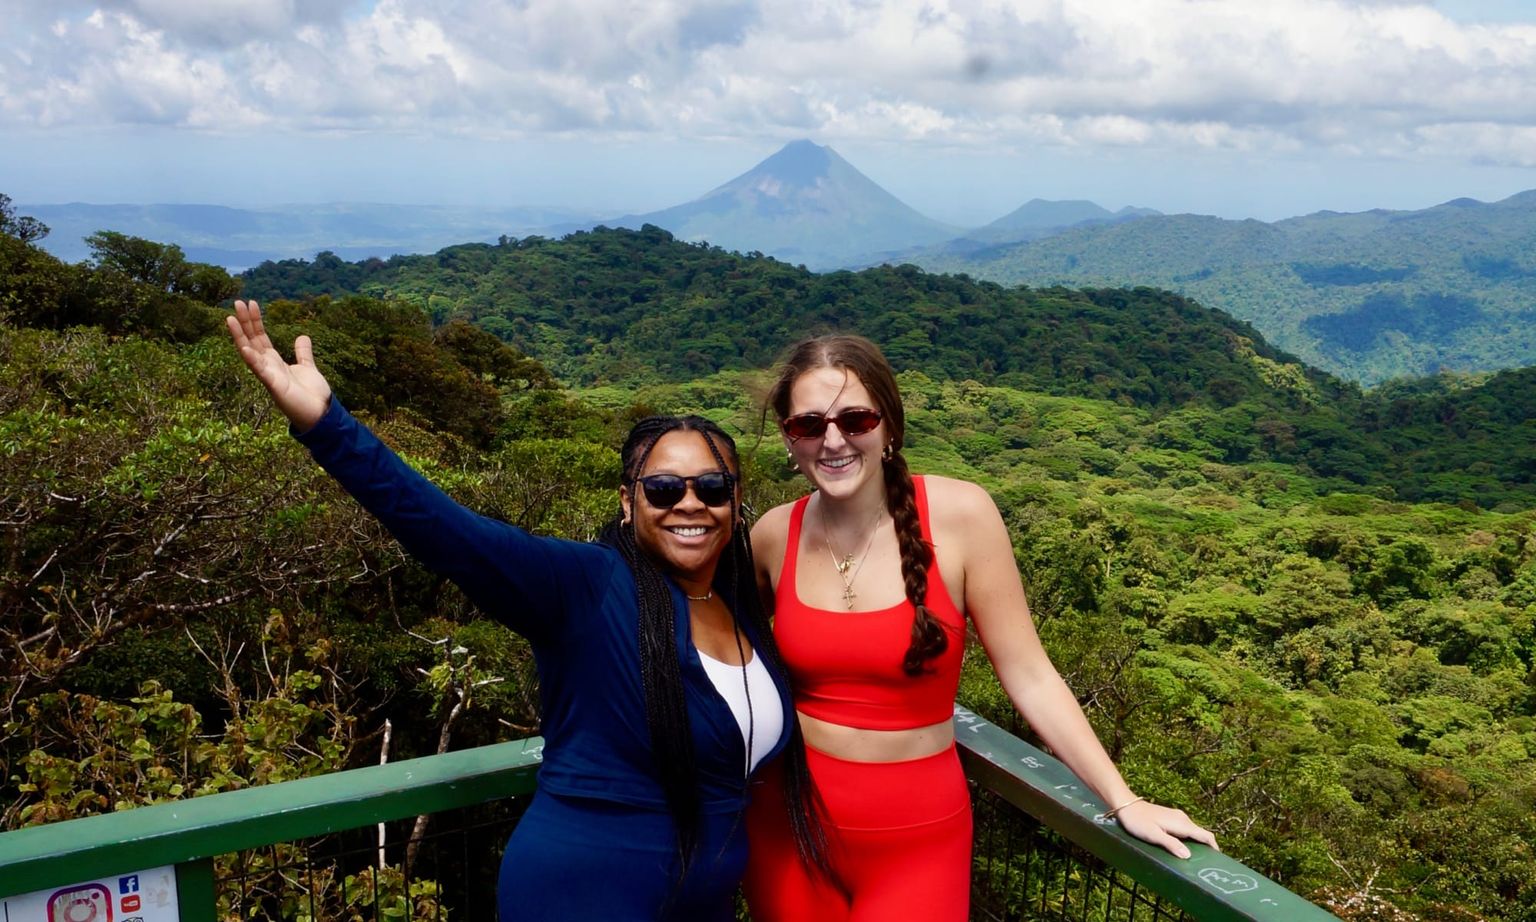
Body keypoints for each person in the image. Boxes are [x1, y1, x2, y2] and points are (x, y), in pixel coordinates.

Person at [224, 300, 824, 921]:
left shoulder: (739, 602)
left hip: (703, 900)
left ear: (736, 501)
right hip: (584, 891)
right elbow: (444, 529)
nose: (690, 504)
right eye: (665, 488)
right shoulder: (587, 585)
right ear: (628, 503)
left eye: (714, 488)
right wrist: (327, 425)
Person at [743, 334, 1218, 922]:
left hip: (918, 839)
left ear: (889, 426)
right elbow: (720, 654)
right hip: (787, 826)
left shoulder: (963, 516)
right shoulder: (772, 535)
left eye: (855, 419)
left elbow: (1028, 672)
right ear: (791, 438)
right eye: (809, 425)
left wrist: (1122, 799)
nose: (833, 440)